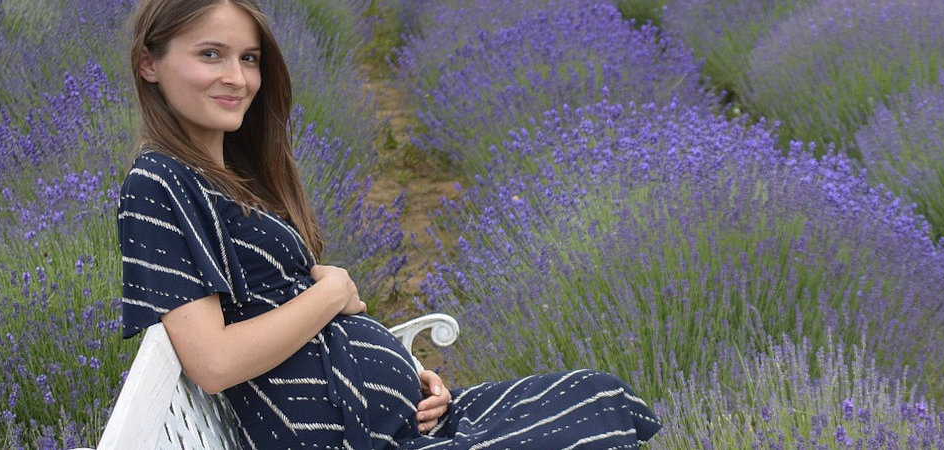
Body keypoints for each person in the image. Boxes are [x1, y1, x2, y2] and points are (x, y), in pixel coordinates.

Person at [114, 0, 662, 448]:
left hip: (395, 422)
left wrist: (408, 375)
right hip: (349, 438)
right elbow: (214, 362)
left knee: (596, 395)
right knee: (591, 428)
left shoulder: (230, 172)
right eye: (211, 54)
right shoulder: (158, 183)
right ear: (149, 63)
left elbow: (277, 309)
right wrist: (333, 292)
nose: (237, 77)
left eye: (249, 58)